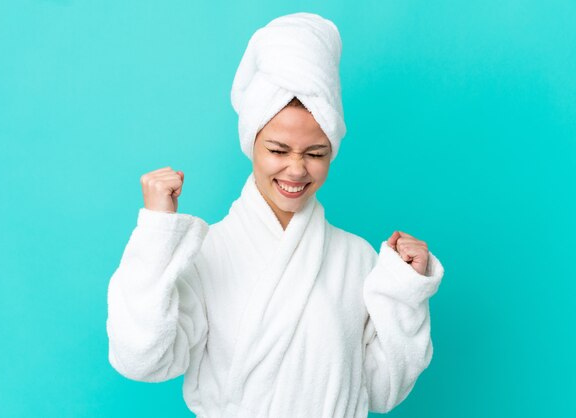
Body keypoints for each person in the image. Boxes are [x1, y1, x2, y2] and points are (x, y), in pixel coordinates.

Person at [106, 12, 444, 418]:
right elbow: (143, 359)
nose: (297, 170)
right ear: (252, 144)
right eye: (278, 150)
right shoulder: (208, 253)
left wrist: (405, 291)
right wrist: (157, 235)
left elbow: (382, 390)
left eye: (316, 154)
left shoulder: (358, 260)